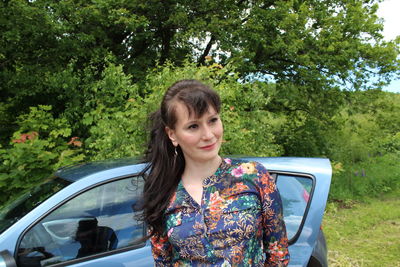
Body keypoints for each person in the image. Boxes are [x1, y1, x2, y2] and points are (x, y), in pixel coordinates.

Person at [141, 79, 289, 266]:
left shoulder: (253, 175)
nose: (208, 135)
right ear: (172, 134)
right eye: (193, 126)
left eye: (212, 120)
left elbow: (278, 254)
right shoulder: (162, 192)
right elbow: (162, 261)